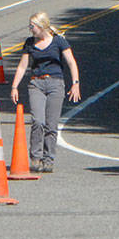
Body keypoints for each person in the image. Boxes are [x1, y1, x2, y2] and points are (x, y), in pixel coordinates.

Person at [9, 11, 81, 173]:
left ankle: (48, 159)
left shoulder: (59, 41)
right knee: (38, 121)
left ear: (41, 26)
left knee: (51, 124)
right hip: (36, 83)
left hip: (56, 84)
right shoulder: (29, 43)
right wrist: (14, 87)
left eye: (32, 26)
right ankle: (35, 157)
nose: (30, 29)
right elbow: (22, 66)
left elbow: (71, 62)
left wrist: (75, 83)